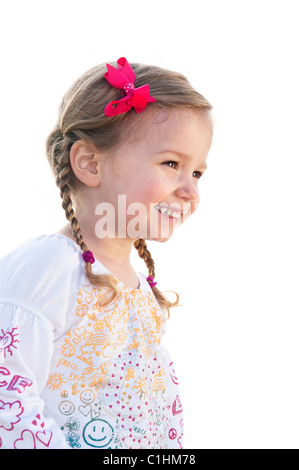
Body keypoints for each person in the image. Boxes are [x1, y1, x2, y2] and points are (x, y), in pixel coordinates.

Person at [0, 57, 213, 449]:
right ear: (89, 163)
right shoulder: (47, 269)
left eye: (197, 172)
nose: (191, 191)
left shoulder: (136, 284)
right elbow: (7, 401)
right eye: (171, 164)